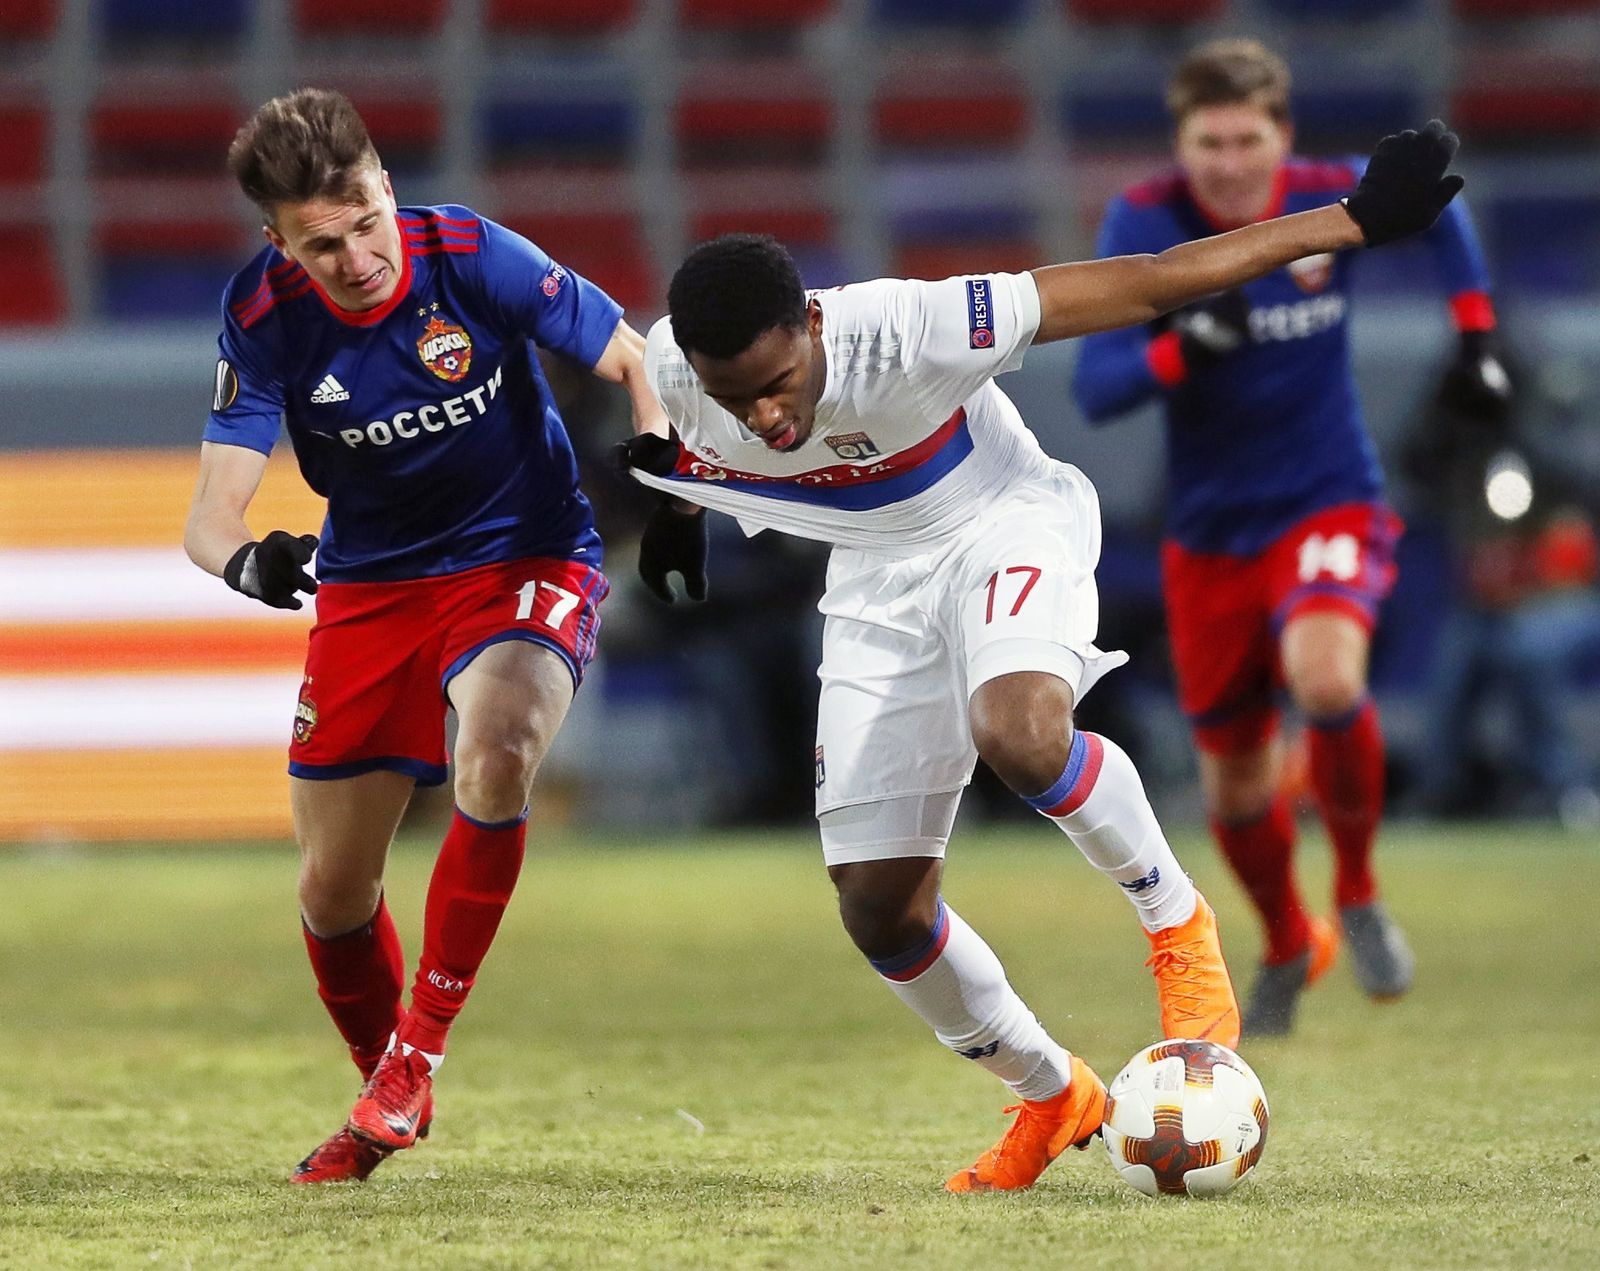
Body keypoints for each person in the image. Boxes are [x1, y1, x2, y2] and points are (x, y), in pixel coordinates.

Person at [615, 118, 1464, 1192]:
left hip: (1001, 523)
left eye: (777, 380)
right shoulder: (684, 369)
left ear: (813, 322)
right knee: (877, 907)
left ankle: (1177, 923)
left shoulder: (910, 328)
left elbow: (1148, 282)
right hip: (876, 583)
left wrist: (1346, 222)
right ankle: (1052, 1091)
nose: (765, 413)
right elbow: (666, 420)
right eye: (737, 397)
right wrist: (680, 508)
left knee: (1018, 732)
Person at [183, 88, 665, 1183]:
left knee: (498, 749)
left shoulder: (471, 254)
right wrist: (248, 560)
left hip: (525, 551)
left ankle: (415, 1053)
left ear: (386, 187)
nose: (357, 258)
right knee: (331, 893)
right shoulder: (262, 313)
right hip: (372, 583)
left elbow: (634, 358)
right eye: (322, 244)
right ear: (279, 244)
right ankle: (387, 1074)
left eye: (365, 220)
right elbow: (209, 517)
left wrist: (664, 472)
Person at [1071, 40, 1509, 1036]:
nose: (1229, 163)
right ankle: (1284, 940)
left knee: (1327, 681)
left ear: (1284, 137)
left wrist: (1476, 334)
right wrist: (1183, 349)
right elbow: (1096, 389)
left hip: (1327, 495)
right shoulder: (1145, 224)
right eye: (1209, 143)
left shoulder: (1325, 200)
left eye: (1246, 140)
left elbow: (1441, 213)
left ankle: (1356, 890)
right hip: (1210, 531)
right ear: (1180, 146)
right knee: (1235, 784)